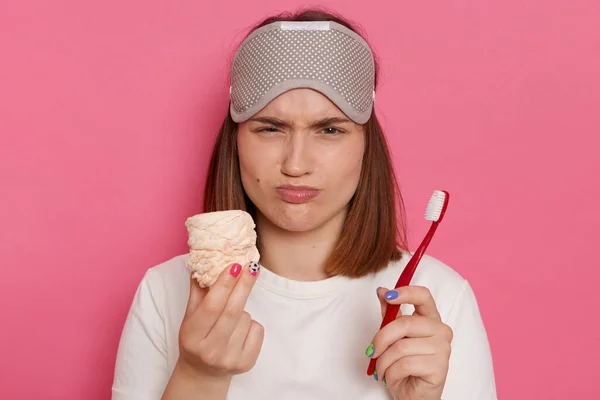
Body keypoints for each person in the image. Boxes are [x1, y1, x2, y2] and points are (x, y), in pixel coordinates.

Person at [111, 8, 496, 400]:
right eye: (270, 128)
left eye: (329, 130)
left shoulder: (440, 299)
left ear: (366, 146)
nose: (296, 164)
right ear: (236, 142)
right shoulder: (163, 293)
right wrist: (198, 377)